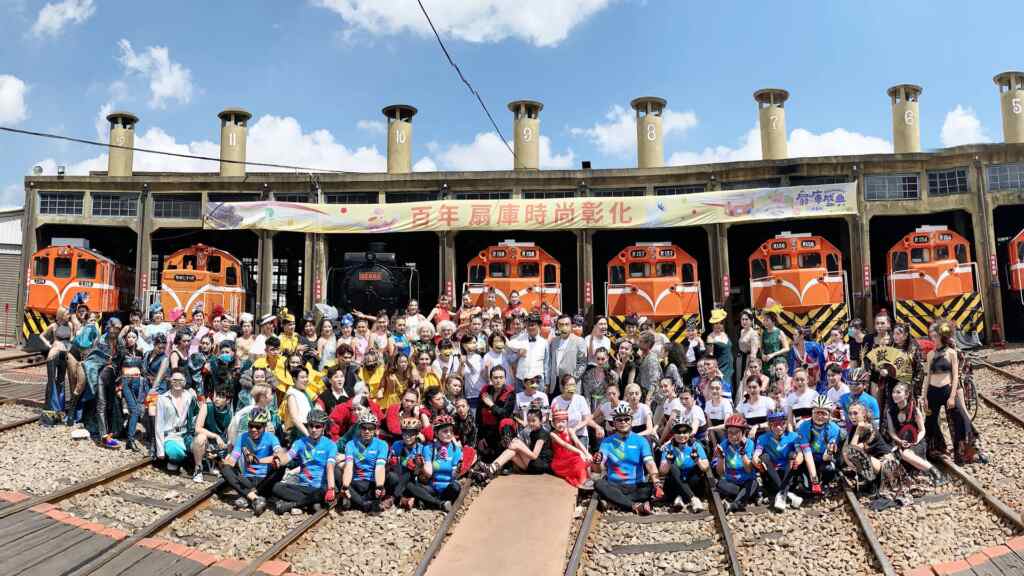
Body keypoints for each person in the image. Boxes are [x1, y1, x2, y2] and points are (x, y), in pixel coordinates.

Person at [923, 321, 978, 464]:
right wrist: (924, 397)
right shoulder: (930, 355)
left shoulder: (951, 353)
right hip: (932, 392)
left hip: (947, 390)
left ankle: (960, 453)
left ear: (942, 336)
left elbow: (955, 377)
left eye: (935, 336)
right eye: (931, 336)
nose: (933, 339)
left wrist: (952, 396)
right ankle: (934, 451)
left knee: (959, 420)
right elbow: (927, 377)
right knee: (930, 422)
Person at [592, 403, 660, 515]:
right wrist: (597, 462)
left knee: (651, 487)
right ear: (614, 423)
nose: (623, 422)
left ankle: (616, 501)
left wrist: (657, 482)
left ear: (631, 420)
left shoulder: (641, 440)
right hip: (615, 485)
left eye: (626, 419)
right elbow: (598, 470)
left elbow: (650, 464)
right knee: (599, 484)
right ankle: (634, 506)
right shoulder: (607, 442)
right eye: (619, 420)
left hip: (636, 486)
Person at [219, 407, 282, 516]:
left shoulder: (271, 438)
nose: (253, 429)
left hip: (264, 479)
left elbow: (280, 455)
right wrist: (218, 460)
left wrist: (259, 461)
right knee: (225, 469)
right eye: (251, 426)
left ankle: (247, 496)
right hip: (248, 478)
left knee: (281, 468)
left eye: (258, 426)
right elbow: (233, 459)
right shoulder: (243, 437)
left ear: (264, 426)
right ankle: (255, 498)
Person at [272, 409, 339, 514]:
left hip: (319, 488)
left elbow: (330, 467)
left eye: (318, 426)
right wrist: (278, 460)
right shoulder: (299, 443)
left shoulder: (331, 445)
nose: (313, 429)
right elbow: (287, 457)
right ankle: (310, 503)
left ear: (324, 427)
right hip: (303, 486)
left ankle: (294, 505)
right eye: (311, 425)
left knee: (320, 493)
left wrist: (331, 488)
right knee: (277, 487)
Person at [885, 382, 946, 486]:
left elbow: (922, 430)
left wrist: (916, 440)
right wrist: (899, 441)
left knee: (906, 454)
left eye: (898, 392)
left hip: (917, 442)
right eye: (893, 392)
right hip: (901, 443)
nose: (894, 395)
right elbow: (892, 432)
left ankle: (937, 473)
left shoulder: (914, 410)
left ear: (906, 395)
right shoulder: (890, 411)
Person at [340, 412, 391, 513]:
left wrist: (379, 486)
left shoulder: (382, 444)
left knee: (392, 476)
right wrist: (345, 486)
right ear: (359, 429)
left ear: (376, 430)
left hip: (372, 482)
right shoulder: (351, 444)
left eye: (370, 428)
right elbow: (349, 467)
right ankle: (363, 504)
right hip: (356, 482)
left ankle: (357, 502)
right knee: (338, 472)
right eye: (364, 428)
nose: (367, 431)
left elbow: (380, 467)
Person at [754, 411, 803, 511]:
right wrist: (756, 461)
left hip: (788, 472)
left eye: (782, 424)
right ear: (770, 425)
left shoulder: (793, 436)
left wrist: (797, 460)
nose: (779, 427)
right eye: (775, 425)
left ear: (785, 424)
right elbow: (756, 454)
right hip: (771, 473)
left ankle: (781, 494)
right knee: (764, 457)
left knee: (792, 455)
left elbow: (800, 453)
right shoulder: (762, 438)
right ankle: (785, 493)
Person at [412, 414, 463, 510]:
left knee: (456, 487)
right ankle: (439, 503)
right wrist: (422, 465)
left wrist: (457, 470)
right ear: (436, 433)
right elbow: (429, 473)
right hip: (432, 487)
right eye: (445, 431)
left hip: (448, 487)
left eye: (451, 431)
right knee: (414, 485)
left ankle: (431, 502)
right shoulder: (429, 448)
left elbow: (454, 475)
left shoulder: (456, 450)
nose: (449, 434)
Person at [659, 415, 708, 512]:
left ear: (689, 432)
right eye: (678, 432)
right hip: (674, 485)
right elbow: (662, 472)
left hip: (693, 484)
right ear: (673, 433)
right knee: (672, 467)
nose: (681, 435)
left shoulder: (696, 445)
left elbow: (705, 468)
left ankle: (680, 497)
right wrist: (668, 462)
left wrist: (697, 460)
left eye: (684, 432)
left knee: (697, 471)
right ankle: (693, 499)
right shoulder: (668, 447)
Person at [155, 369, 200, 472]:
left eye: (180, 380)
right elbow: (158, 426)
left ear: (185, 382)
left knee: (200, 445)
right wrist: (160, 451)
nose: (177, 383)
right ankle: (178, 459)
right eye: (174, 380)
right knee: (175, 452)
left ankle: (183, 460)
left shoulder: (189, 396)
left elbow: (196, 414)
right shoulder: (162, 399)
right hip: (170, 436)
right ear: (170, 381)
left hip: (186, 434)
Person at [485, 408, 553, 477]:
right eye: (529, 421)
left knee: (517, 442)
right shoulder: (532, 432)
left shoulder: (542, 434)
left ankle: (492, 468)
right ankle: (491, 469)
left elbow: (534, 456)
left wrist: (519, 446)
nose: (531, 423)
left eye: (533, 421)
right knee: (512, 452)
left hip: (540, 465)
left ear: (541, 421)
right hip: (531, 466)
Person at [796, 396, 842, 495]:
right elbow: (807, 455)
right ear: (812, 413)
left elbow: (826, 457)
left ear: (829, 415)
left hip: (823, 458)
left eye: (824, 413)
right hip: (809, 457)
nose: (820, 416)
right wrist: (814, 479)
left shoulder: (834, 429)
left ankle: (825, 483)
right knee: (808, 488)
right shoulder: (804, 426)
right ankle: (806, 479)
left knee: (830, 468)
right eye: (817, 412)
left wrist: (829, 452)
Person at [714, 414, 758, 513]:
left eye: (737, 432)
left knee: (753, 483)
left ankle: (734, 505)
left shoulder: (749, 443)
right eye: (730, 432)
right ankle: (747, 495)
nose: (733, 436)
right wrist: (721, 458)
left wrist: (743, 454)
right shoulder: (724, 444)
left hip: (747, 480)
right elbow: (720, 473)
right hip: (731, 482)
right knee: (720, 484)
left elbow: (749, 469)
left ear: (743, 432)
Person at [386, 416, 433, 509]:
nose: (407, 437)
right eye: (405, 433)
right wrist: (393, 462)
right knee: (394, 475)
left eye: (411, 434)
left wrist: (420, 466)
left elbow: (428, 474)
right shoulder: (397, 444)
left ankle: (397, 498)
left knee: (417, 483)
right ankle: (406, 499)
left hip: (415, 481)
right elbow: (389, 463)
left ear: (417, 434)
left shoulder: (423, 448)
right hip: (399, 478)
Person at [191, 385, 234, 483]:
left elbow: (230, 433)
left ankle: (214, 464)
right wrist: (216, 436)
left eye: (221, 397)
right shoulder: (207, 406)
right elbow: (198, 429)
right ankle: (198, 469)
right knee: (200, 438)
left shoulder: (230, 412)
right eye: (216, 395)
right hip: (202, 441)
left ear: (228, 400)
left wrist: (229, 448)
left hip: (217, 445)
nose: (217, 399)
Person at [476, 366, 518, 461]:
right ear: (491, 379)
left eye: (501, 377)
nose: (498, 380)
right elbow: (478, 416)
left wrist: (491, 404)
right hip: (487, 430)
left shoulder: (510, 393)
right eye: (495, 378)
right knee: (486, 458)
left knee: (506, 422)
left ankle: (508, 462)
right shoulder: (485, 391)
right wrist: (481, 437)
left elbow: (505, 414)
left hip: (502, 431)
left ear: (505, 379)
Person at [550, 374, 600, 450]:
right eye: (569, 385)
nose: (572, 388)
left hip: (580, 435)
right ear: (563, 387)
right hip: (563, 435)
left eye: (573, 385)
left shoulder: (580, 399)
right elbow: (552, 421)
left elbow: (587, 419)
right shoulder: (556, 401)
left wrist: (575, 429)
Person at [548, 408, 592, 488]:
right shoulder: (553, 434)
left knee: (586, 459)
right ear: (553, 423)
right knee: (579, 461)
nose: (560, 424)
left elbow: (578, 442)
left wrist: (586, 453)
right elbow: (565, 444)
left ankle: (589, 478)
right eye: (558, 422)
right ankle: (583, 482)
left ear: (567, 422)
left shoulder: (570, 430)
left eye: (563, 422)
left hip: (572, 456)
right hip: (560, 461)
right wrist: (580, 452)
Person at [547, 314, 588, 397]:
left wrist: (572, 378)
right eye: (561, 325)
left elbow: (582, 364)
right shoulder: (554, 342)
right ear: (557, 326)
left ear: (571, 326)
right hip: (555, 385)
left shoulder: (579, 341)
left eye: (566, 324)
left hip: (571, 385)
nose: (564, 327)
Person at [509, 315, 548, 393]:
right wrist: (517, 355)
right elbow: (509, 359)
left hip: (538, 381)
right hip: (521, 381)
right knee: (521, 404)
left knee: (538, 404)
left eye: (533, 325)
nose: (530, 327)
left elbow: (546, 364)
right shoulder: (516, 340)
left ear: (539, 326)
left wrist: (547, 383)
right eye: (528, 325)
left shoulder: (544, 342)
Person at [788, 327, 827, 393]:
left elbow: (822, 363)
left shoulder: (814, 346)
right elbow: (791, 367)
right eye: (793, 335)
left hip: (817, 380)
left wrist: (823, 379)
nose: (793, 336)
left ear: (802, 336)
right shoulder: (793, 349)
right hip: (803, 380)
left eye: (795, 335)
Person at [735, 375, 775, 440]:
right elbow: (741, 423)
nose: (752, 390)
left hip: (766, 436)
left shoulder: (767, 401)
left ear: (760, 387)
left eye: (754, 387)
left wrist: (756, 426)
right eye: (749, 387)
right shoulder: (742, 403)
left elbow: (771, 422)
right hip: (749, 437)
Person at [581, 347, 618, 414]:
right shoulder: (587, 374)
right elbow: (587, 395)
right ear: (594, 358)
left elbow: (613, 395)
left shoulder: (613, 375)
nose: (600, 362)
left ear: (607, 358)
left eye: (603, 359)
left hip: (607, 408)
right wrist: (588, 413)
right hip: (590, 407)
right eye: (598, 359)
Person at [706, 308, 735, 387]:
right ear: (713, 324)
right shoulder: (710, 338)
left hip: (730, 367)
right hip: (720, 367)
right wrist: (715, 370)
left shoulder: (724, 334)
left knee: (731, 388)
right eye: (716, 323)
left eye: (721, 323)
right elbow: (710, 357)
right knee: (724, 387)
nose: (718, 325)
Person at [703, 378, 733, 447]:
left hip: (726, 434)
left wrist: (711, 429)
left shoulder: (726, 403)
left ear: (722, 390)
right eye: (712, 388)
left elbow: (726, 425)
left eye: (717, 388)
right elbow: (709, 424)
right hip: (713, 433)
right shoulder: (708, 404)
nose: (714, 391)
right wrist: (714, 444)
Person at [736, 309, 760, 393]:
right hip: (741, 359)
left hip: (748, 360)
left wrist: (751, 367)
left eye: (746, 319)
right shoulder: (742, 331)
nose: (744, 322)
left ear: (751, 321)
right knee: (740, 380)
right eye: (742, 319)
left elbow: (754, 352)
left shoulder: (753, 333)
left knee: (746, 379)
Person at [759, 310, 790, 375]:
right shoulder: (763, 333)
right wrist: (762, 355)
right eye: (764, 320)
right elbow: (761, 347)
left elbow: (787, 348)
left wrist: (773, 354)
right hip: (767, 361)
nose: (764, 322)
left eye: (767, 320)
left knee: (776, 379)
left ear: (773, 321)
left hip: (778, 361)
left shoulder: (779, 332)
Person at [636, 332, 662, 402]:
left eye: (641, 342)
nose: (638, 343)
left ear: (648, 344)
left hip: (649, 395)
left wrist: (648, 398)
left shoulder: (651, 359)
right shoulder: (642, 356)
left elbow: (654, 380)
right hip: (642, 392)